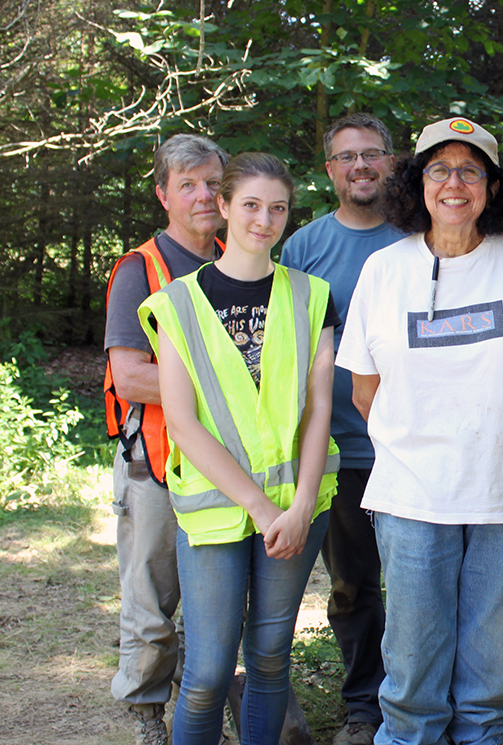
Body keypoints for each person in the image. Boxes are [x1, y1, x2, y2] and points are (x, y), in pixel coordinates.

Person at [337, 117, 503, 745]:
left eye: (471, 170)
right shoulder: (384, 269)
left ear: (493, 185)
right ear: (417, 181)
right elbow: (364, 387)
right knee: (410, 673)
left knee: (489, 678)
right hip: (413, 493)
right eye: (439, 168)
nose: (454, 182)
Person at [138, 152, 339, 745]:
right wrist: (260, 506)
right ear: (222, 207)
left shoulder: (313, 295)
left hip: (300, 508)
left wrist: (301, 506)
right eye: (250, 205)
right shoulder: (176, 303)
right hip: (219, 510)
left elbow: (318, 407)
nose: (265, 219)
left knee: (272, 659)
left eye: (278, 208)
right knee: (205, 674)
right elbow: (183, 421)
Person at [280, 112, 403, 745]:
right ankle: (364, 709)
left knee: (419, 583)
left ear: (390, 161)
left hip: (412, 447)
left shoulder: (419, 231)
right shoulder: (304, 246)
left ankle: (420, 702)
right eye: (346, 157)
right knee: (355, 587)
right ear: (330, 170)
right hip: (341, 448)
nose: (360, 166)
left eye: (372, 154)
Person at [105, 133, 227, 745]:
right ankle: (147, 714)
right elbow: (129, 376)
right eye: (189, 185)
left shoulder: (240, 258)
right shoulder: (140, 269)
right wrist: (223, 385)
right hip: (155, 460)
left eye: (212, 183)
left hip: (229, 461)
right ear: (164, 195)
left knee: (226, 593)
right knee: (152, 600)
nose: (204, 196)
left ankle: (208, 699)